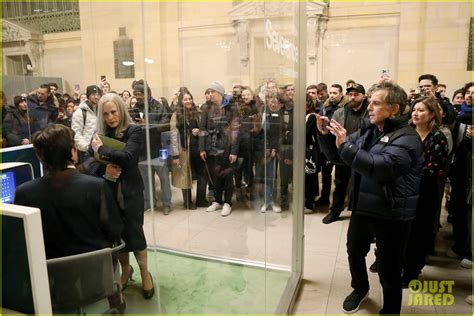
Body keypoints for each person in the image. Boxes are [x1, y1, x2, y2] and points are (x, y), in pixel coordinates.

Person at [317, 82, 423, 314]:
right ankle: (360, 288)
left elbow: (379, 167)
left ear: (394, 109)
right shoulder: (369, 129)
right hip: (364, 206)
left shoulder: (408, 138)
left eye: (376, 103)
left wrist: (346, 144)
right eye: (370, 102)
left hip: (392, 213)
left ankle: (391, 310)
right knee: (354, 250)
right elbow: (339, 154)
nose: (370, 108)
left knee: (389, 268)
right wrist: (327, 135)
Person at [14, 124, 126, 312]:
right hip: (96, 278)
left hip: (53, 284)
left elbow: (21, 244)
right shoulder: (97, 186)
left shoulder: (24, 193)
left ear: (40, 156)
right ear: (73, 152)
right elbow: (115, 231)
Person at [84, 93, 154, 299]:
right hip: (109, 192)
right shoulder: (99, 134)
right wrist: (103, 172)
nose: (110, 118)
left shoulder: (134, 130)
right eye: (105, 114)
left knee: (135, 232)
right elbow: (88, 161)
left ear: (121, 110)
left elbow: (129, 158)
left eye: (113, 112)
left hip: (131, 192)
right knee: (116, 234)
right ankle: (126, 270)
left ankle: (143, 272)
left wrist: (102, 150)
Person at [402, 96, 448, 287]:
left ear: (431, 115)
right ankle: (401, 265)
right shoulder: (407, 133)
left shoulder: (438, 137)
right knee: (404, 230)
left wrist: (405, 171)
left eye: (421, 110)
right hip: (404, 190)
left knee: (419, 233)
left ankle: (412, 271)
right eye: (414, 109)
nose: (415, 113)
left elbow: (434, 168)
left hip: (425, 191)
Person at [318, 83, 369, 224]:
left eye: (356, 94)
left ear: (363, 96)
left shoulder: (369, 112)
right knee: (340, 184)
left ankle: (359, 215)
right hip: (344, 153)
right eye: (350, 94)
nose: (352, 97)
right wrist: (324, 130)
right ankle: (335, 211)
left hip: (362, 154)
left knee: (360, 185)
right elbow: (332, 133)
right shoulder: (341, 111)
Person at [200, 81, 240, 216]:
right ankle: (217, 201)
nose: (210, 94)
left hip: (227, 147)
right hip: (212, 147)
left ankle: (227, 202)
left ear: (220, 93)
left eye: (213, 92)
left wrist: (234, 151)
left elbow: (235, 130)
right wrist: (202, 148)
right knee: (215, 176)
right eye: (209, 92)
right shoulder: (206, 108)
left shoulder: (231, 108)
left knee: (228, 176)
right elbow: (202, 128)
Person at [169, 90, 205, 208]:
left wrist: (200, 131)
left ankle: (201, 199)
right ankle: (188, 202)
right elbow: (173, 135)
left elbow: (205, 129)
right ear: (181, 101)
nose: (188, 101)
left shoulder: (198, 113)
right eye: (185, 99)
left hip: (198, 148)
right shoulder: (176, 115)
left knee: (202, 174)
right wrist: (175, 155)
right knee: (185, 175)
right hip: (184, 150)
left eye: (190, 99)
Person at [71, 85, 102, 163]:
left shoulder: (102, 111)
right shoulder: (80, 112)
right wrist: (86, 147)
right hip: (85, 152)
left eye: (98, 94)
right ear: (88, 96)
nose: (96, 97)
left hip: (100, 150)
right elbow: (76, 133)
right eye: (93, 94)